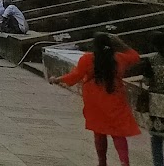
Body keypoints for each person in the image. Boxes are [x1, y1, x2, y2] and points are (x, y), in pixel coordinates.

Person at [55, 32, 140, 166]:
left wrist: (57, 79)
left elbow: (75, 75)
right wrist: (120, 43)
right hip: (115, 98)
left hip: (94, 101)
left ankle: (102, 162)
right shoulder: (119, 58)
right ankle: (124, 162)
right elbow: (135, 56)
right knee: (118, 133)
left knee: (99, 132)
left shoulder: (87, 59)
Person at [126, 32, 164, 166]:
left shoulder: (152, 60)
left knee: (157, 138)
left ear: (154, 45)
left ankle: (158, 163)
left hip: (157, 103)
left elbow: (147, 81)